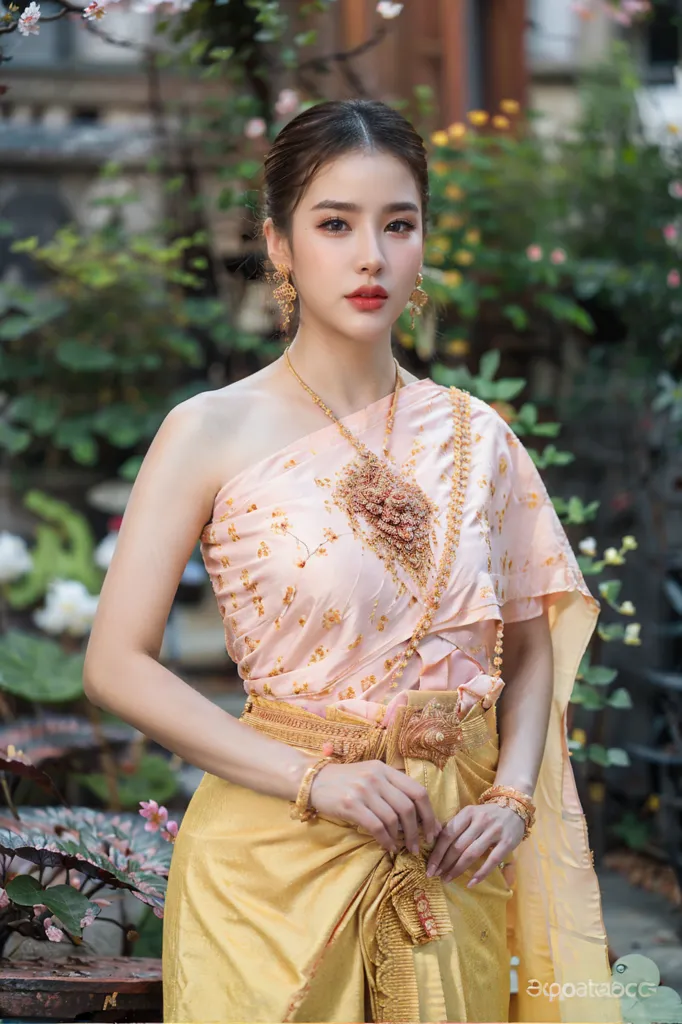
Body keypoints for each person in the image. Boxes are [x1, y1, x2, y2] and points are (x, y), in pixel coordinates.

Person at [83, 99, 622, 1024]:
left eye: (397, 224)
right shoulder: (208, 430)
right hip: (271, 868)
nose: (371, 255)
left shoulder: (475, 437)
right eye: (335, 224)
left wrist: (512, 798)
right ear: (280, 246)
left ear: (421, 243)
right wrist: (317, 778)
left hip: (450, 865)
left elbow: (529, 649)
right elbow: (114, 664)